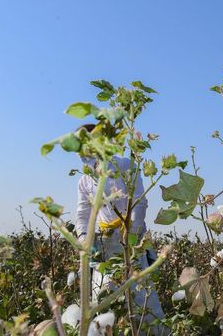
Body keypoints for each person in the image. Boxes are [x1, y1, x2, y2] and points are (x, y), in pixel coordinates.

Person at [75, 123, 167, 334]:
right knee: (104, 298)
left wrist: (131, 235)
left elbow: (140, 203)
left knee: (141, 295)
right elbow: (83, 213)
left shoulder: (126, 166)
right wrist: (83, 239)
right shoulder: (84, 180)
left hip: (130, 240)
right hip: (104, 243)